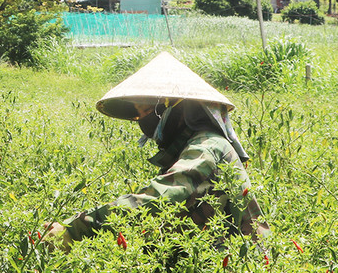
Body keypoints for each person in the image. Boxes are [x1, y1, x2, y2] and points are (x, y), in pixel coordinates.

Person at [45, 50, 268, 251]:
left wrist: (73, 228)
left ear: (175, 107)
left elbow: (162, 196)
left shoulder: (207, 146)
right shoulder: (193, 145)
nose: (142, 121)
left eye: (144, 111)